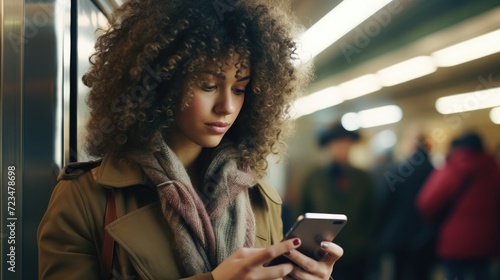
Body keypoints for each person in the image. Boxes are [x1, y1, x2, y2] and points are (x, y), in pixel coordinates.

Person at [37, 0, 343, 279]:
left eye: (239, 89)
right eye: (208, 85)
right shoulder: (85, 198)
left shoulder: (260, 200)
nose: (227, 106)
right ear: (162, 83)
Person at [295, 122, 377, 280]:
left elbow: (372, 214)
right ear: (328, 145)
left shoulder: (363, 177)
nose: (342, 148)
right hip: (322, 253)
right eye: (337, 143)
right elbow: (300, 213)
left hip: (357, 255)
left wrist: (364, 243)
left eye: (347, 143)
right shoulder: (312, 178)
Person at [417, 131, 500, 280]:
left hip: (453, 243)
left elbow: (425, 202)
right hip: (487, 242)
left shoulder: (451, 169)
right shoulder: (494, 170)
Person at [375, 130, 435, 280]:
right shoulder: (435, 171)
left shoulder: (399, 171)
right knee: (423, 274)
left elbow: (384, 203)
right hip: (426, 237)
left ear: (412, 144)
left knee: (399, 274)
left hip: (399, 235)